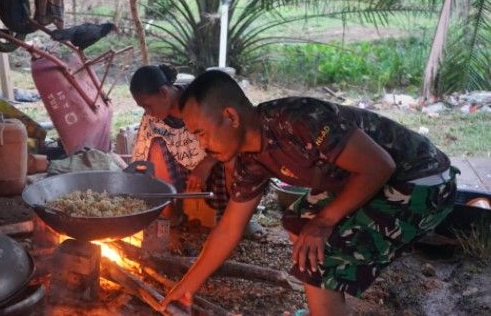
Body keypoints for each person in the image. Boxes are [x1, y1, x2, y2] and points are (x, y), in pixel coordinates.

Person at [161, 70, 456, 315]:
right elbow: (229, 229)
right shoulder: (248, 160)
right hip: (372, 178)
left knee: (323, 247)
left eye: (201, 133)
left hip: (423, 180)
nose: (201, 145)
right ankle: (325, 308)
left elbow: (379, 165)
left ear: (231, 117)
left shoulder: (299, 121)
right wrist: (186, 287)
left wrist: (325, 221)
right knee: (300, 221)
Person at [129, 65, 230, 226]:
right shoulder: (153, 118)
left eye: (148, 105)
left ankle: (236, 216)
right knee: (154, 148)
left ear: (163, 92)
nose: (147, 112)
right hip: (182, 173)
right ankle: (171, 215)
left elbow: (231, 137)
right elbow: (140, 158)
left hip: (217, 164)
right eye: (143, 108)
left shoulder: (199, 99)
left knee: (234, 157)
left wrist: (205, 165)